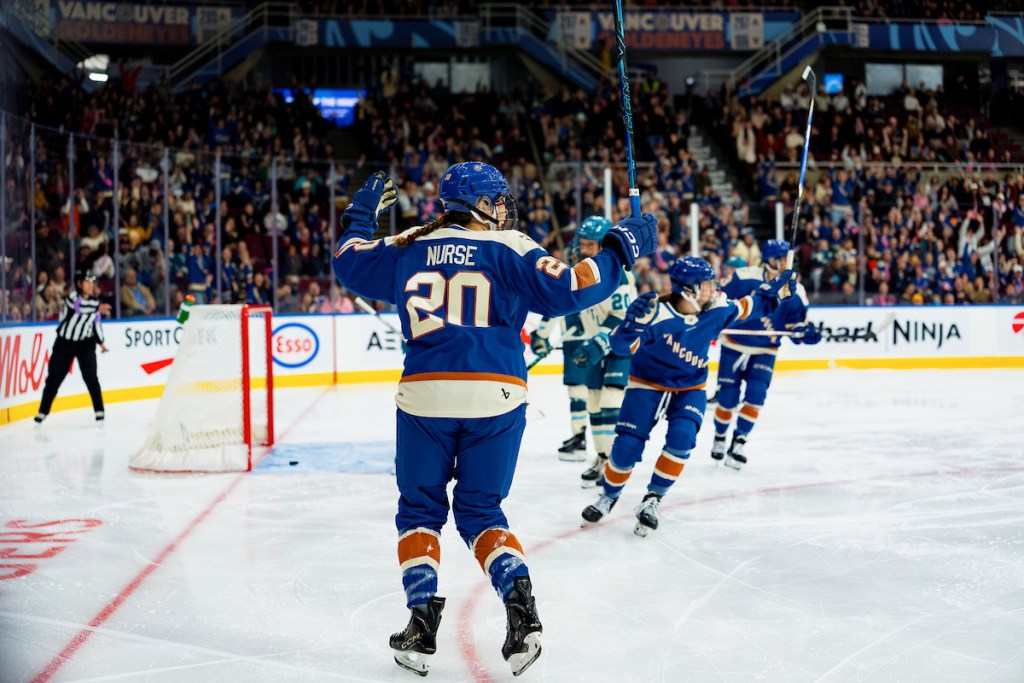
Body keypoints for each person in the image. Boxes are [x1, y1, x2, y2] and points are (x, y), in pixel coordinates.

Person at [331, 163, 657, 676]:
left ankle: (420, 625)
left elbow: (349, 262)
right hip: (497, 394)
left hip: (425, 396)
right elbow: (572, 287)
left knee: (419, 513)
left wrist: (361, 213)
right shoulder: (510, 245)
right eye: (498, 199)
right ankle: (522, 618)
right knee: (482, 513)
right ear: (482, 204)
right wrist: (619, 250)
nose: (504, 207)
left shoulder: (410, 245)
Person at [580, 256, 794, 536]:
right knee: (627, 446)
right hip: (647, 384)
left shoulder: (717, 308)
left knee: (682, 440)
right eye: (705, 285)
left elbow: (750, 307)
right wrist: (630, 326)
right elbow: (622, 348)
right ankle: (608, 496)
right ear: (687, 290)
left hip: (690, 388)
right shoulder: (654, 311)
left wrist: (776, 293)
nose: (712, 289)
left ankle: (653, 499)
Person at [710, 240, 822, 469]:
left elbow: (794, 325)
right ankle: (720, 436)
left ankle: (739, 441)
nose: (783, 264)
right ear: (769, 259)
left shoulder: (795, 289)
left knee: (756, 395)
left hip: (765, 350)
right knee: (727, 399)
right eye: (779, 259)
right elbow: (719, 302)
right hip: (734, 345)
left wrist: (802, 333)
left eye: (786, 260)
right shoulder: (744, 276)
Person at [35, 272, 110, 423]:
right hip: (65, 343)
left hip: (85, 344)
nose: (90, 285)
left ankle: (99, 410)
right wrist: (97, 309)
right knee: (55, 377)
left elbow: (96, 324)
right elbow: (79, 310)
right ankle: (43, 411)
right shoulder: (73, 298)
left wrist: (101, 342)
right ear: (79, 284)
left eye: (92, 282)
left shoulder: (96, 303)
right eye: (86, 282)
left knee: (91, 377)